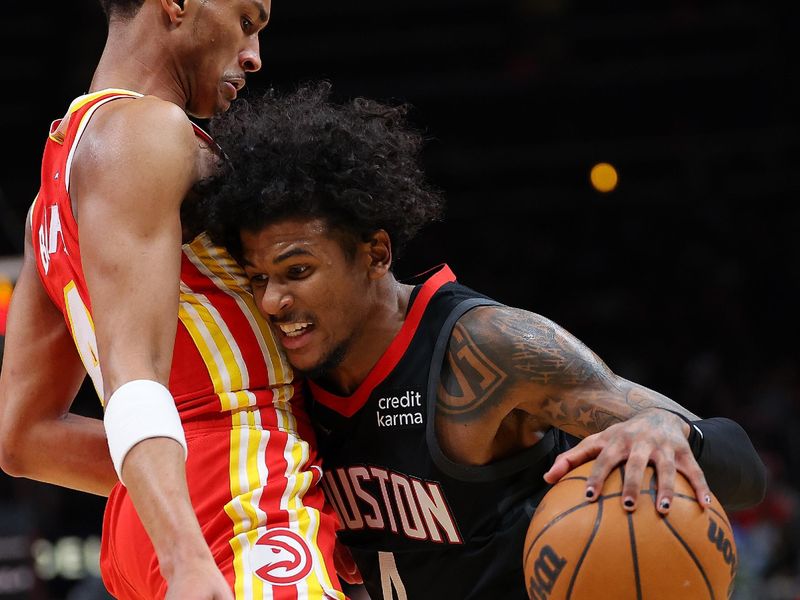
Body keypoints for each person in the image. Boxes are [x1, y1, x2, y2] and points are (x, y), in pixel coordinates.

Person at [200, 82, 768, 599]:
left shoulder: (488, 349)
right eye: (258, 280)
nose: (273, 301)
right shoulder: (270, 370)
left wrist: (672, 430)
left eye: (297, 271)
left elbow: (744, 473)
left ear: (376, 254)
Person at [0, 3, 344, 599]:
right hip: (242, 499)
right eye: (246, 20)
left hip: (161, 514)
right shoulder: (147, 130)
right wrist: (186, 550)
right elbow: (135, 372)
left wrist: (168, 494)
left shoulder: (47, 199)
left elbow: (25, 439)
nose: (254, 56)